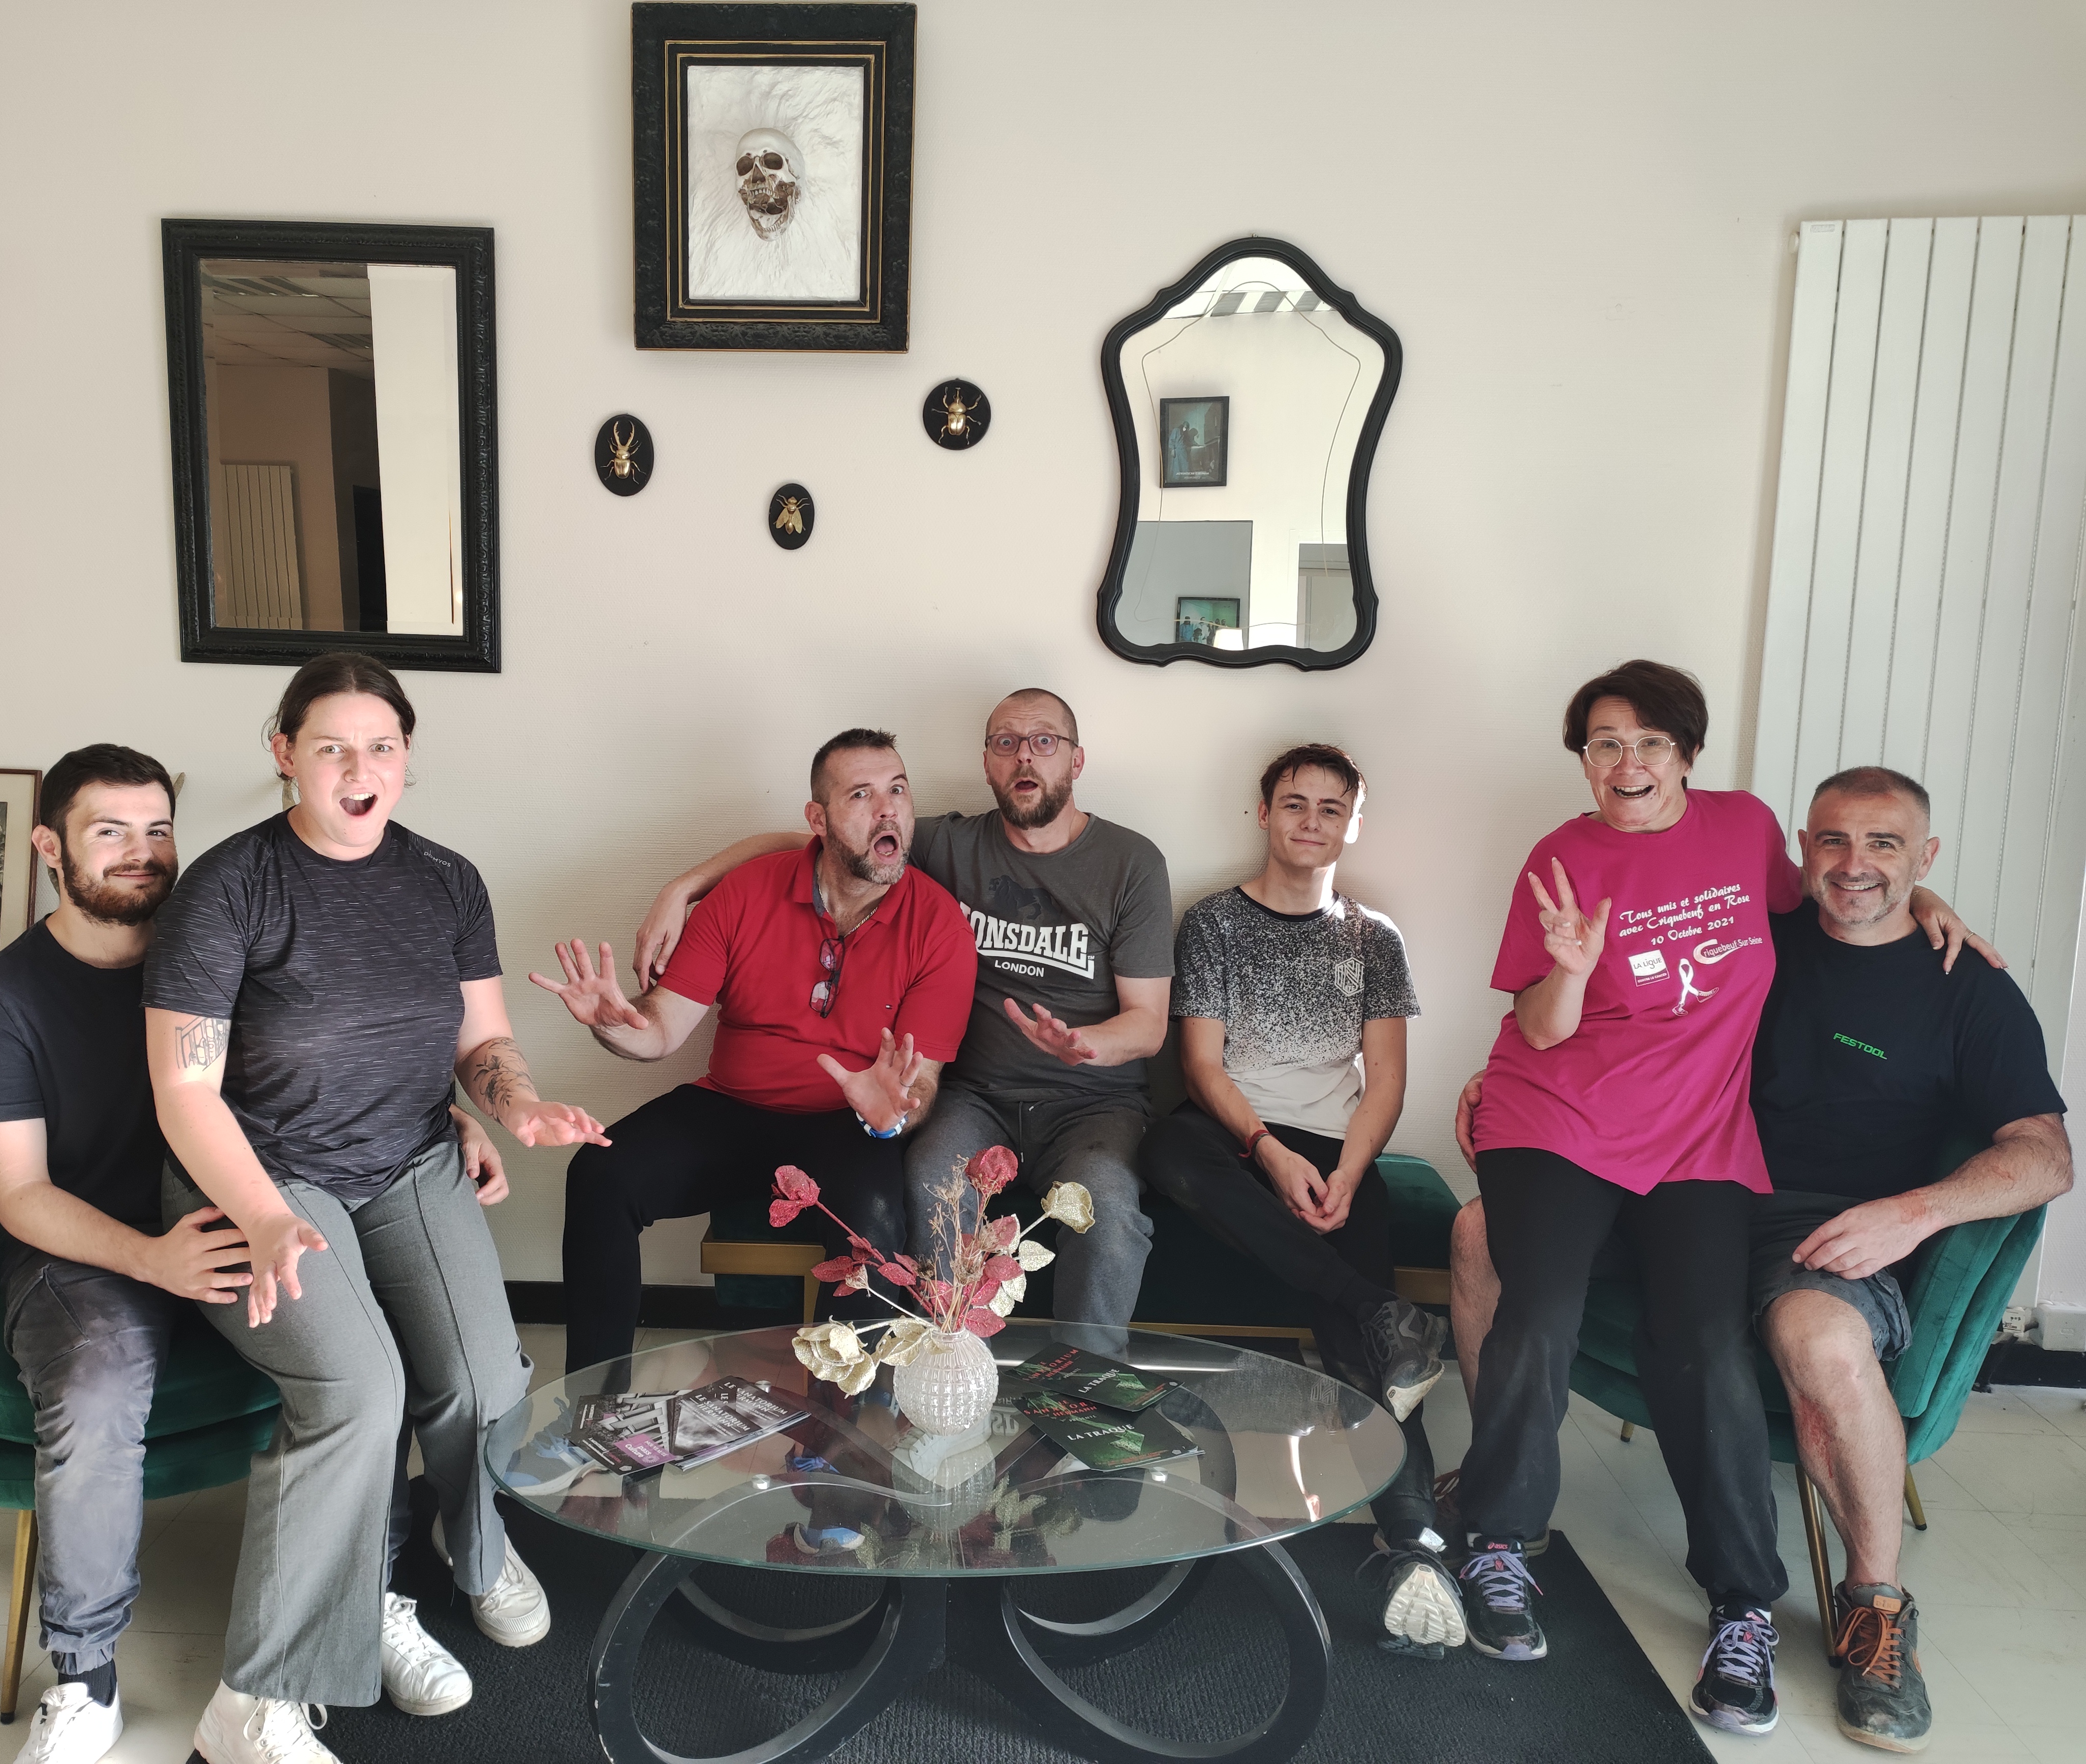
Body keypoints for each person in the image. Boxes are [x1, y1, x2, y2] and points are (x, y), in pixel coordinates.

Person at [1448, 765, 2068, 1753]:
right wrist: (1512, 1078)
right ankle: (1497, 1493)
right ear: (1800, 850)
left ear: (1927, 855)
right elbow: (1614, 1013)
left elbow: (2045, 1155)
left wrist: (1910, 1214)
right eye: (1833, 840)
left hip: (1818, 1223)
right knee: (1481, 1232)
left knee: (1821, 1341)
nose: (1854, 864)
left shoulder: (1968, 988)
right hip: (1678, 1177)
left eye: (1884, 844)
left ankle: (1874, 1612)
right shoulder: (1756, 928)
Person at [0, 745, 511, 1764]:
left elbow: (339, 1067)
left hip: (246, 1210)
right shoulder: (6, 994)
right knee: (94, 1389)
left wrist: (440, 1119)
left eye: (157, 829)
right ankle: (84, 1677)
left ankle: (371, 1595)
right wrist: (149, 1258)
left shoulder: (223, 935)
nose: (141, 851)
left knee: (365, 1355)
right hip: (93, 1244)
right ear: (49, 847)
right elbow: (19, 1192)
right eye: (109, 831)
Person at [145, 654, 608, 1764]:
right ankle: (261, 1695)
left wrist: (516, 1105)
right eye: (332, 747)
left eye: (383, 746)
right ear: (284, 754)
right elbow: (184, 1090)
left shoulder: (445, 879)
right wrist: (261, 1215)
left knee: (489, 1378)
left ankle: (475, 1545)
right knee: (359, 1388)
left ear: (407, 755)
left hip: (407, 1158)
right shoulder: (230, 886)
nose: (362, 770)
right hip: (258, 1174)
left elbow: (481, 1039)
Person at [636, 689, 1172, 1335]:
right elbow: (816, 841)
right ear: (986, 764)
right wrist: (684, 887)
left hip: (1092, 1102)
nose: (1025, 757)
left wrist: (1085, 1044)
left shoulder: (1130, 863)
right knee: (929, 1182)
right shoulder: (948, 843)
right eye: (1006, 743)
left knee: (1104, 1211)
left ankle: (1085, 1375)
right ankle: (944, 1361)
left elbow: (1147, 1024)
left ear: (1076, 760)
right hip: (977, 1098)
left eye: (1044, 742)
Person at [1135, 743, 1460, 1652]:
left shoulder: (1374, 937)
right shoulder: (1212, 923)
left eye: (1330, 808)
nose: (1311, 821)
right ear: (1264, 813)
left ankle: (1415, 1546)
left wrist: (1350, 1171)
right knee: (1166, 1146)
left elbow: (1386, 1079)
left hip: (1338, 1150)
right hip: (1235, 1136)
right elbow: (1200, 1066)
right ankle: (1381, 1308)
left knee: (1365, 1356)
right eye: (1294, 803)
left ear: (1353, 824)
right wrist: (1269, 1155)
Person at [535, 728, 976, 1372]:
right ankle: (594, 1403)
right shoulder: (745, 892)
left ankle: (842, 1419)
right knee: (599, 1174)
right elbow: (660, 1030)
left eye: (898, 791)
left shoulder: (939, 925)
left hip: (844, 1123)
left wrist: (894, 1112)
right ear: (818, 820)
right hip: (732, 1109)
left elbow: (923, 1081)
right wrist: (613, 1024)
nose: (888, 810)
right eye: (861, 795)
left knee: (875, 1219)